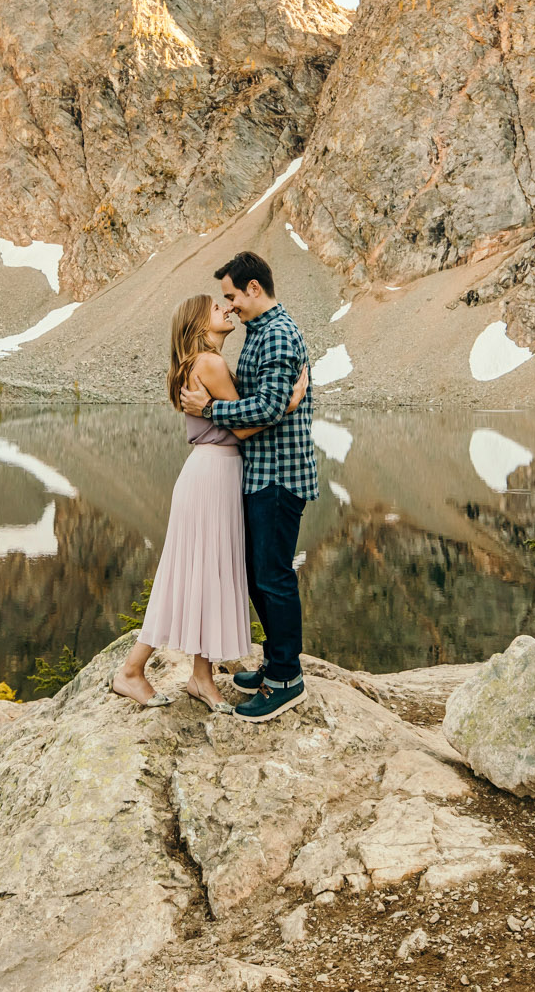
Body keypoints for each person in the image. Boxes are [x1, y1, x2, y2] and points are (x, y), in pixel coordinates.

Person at [114, 292, 308, 712]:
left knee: (206, 571)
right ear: (200, 325)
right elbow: (242, 426)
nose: (226, 309)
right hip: (214, 473)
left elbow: (231, 417)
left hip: (211, 473)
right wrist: (289, 404)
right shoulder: (211, 363)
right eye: (216, 308)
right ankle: (131, 671)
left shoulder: (197, 363)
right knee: (195, 571)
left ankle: (201, 677)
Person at [179, 250, 317, 722]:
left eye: (232, 295)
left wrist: (209, 410)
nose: (230, 305)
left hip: (279, 475)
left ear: (254, 288)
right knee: (260, 574)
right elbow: (273, 404)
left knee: (273, 577)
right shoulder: (261, 332)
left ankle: (286, 680)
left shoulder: (277, 334)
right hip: (261, 473)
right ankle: (275, 663)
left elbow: (267, 408)